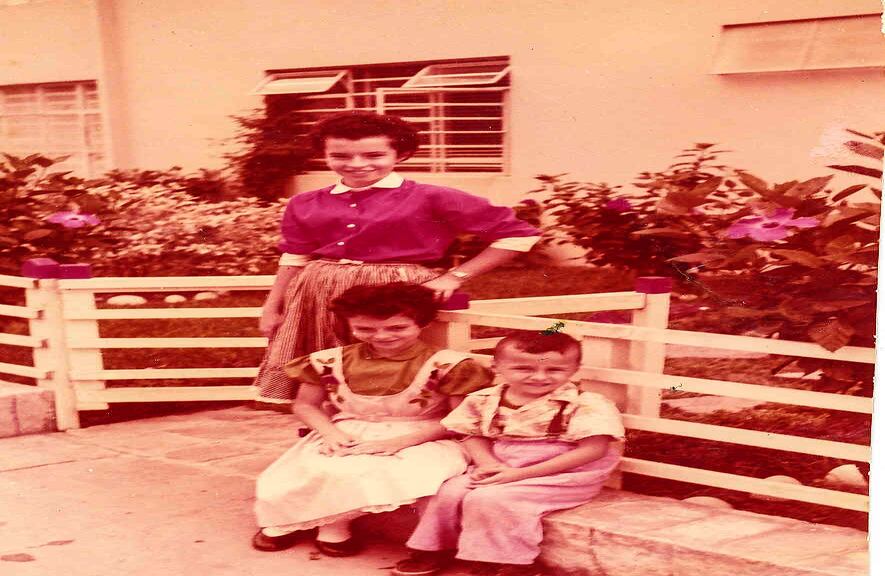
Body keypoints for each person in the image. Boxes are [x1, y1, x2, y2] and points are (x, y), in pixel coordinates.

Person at [254, 110, 540, 407]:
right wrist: (271, 306)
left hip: (398, 293)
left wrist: (455, 276)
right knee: (326, 369)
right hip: (318, 293)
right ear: (324, 154)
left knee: (394, 365)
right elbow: (295, 257)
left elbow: (519, 235)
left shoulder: (432, 196)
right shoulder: (305, 202)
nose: (357, 164)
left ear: (399, 154)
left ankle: (406, 429)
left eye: (374, 154)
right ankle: (324, 435)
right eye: (340, 155)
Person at [253, 282, 495, 557]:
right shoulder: (330, 361)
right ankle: (300, 523)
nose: (381, 336)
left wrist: (401, 441)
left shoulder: (448, 365)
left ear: (422, 323)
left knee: (373, 470)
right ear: (349, 325)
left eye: (397, 328)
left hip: (423, 434)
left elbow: (459, 419)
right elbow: (305, 405)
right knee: (313, 467)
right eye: (365, 329)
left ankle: (333, 527)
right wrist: (331, 433)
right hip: (348, 429)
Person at [393, 332, 625, 576]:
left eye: (555, 370)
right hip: (503, 464)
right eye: (523, 368)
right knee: (447, 491)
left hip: (562, 472)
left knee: (491, 499)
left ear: (576, 369)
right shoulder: (484, 399)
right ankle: (435, 548)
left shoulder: (586, 404)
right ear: (496, 367)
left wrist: (519, 474)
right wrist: (488, 463)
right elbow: (469, 433)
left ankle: (510, 562)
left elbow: (593, 450)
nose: (539, 377)